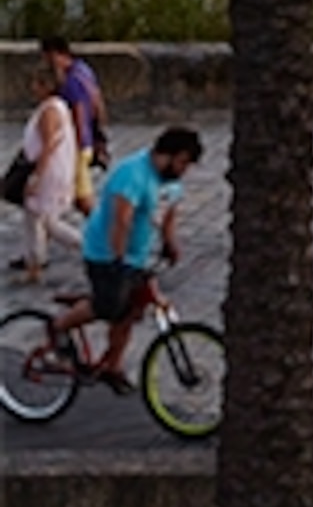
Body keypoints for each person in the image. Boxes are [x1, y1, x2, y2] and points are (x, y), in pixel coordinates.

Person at [48, 125, 203, 391]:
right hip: (105, 252)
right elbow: (121, 221)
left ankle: (113, 366)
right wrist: (119, 261)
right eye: (182, 162)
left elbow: (169, 212)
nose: (184, 170)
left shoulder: (171, 181)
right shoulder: (132, 174)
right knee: (108, 306)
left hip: (138, 256)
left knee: (132, 311)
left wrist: (170, 243)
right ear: (167, 155)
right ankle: (59, 327)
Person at [11, 49, 82, 283]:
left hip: (49, 171)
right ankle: (35, 263)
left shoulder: (49, 110)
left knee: (41, 218)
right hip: (54, 169)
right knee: (42, 219)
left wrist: (36, 176)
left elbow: (49, 144)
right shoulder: (58, 106)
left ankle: (89, 248)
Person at [42, 34, 110, 198]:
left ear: (56, 54)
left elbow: (78, 110)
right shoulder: (83, 69)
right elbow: (97, 100)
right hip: (88, 138)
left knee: (83, 196)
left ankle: (99, 223)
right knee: (76, 193)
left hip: (80, 141)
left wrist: (79, 142)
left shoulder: (71, 81)